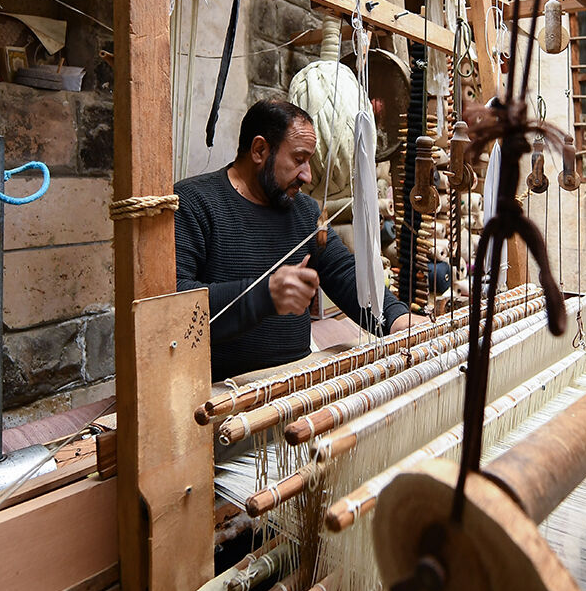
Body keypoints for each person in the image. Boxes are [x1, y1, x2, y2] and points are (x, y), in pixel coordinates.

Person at [175, 99, 419, 380]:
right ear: (259, 150)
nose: (308, 175)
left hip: (295, 383)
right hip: (220, 391)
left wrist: (396, 317)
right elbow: (177, 304)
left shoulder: (304, 211)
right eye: (299, 159)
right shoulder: (192, 204)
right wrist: (264, 294)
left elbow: (343, 272)